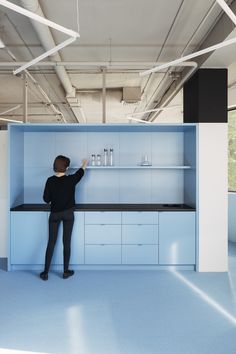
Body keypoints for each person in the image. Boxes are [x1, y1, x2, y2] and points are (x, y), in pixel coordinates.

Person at [40, 155, 87, 281]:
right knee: (66, 242)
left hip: (54, 214)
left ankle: (45, 273)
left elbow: (46, 200)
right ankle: (66, 271)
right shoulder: (71, 180)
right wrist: (84, 164)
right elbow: (80, 173)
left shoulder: (50, 180)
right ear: (66, 168)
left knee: (51, 242)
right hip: (68, 214)